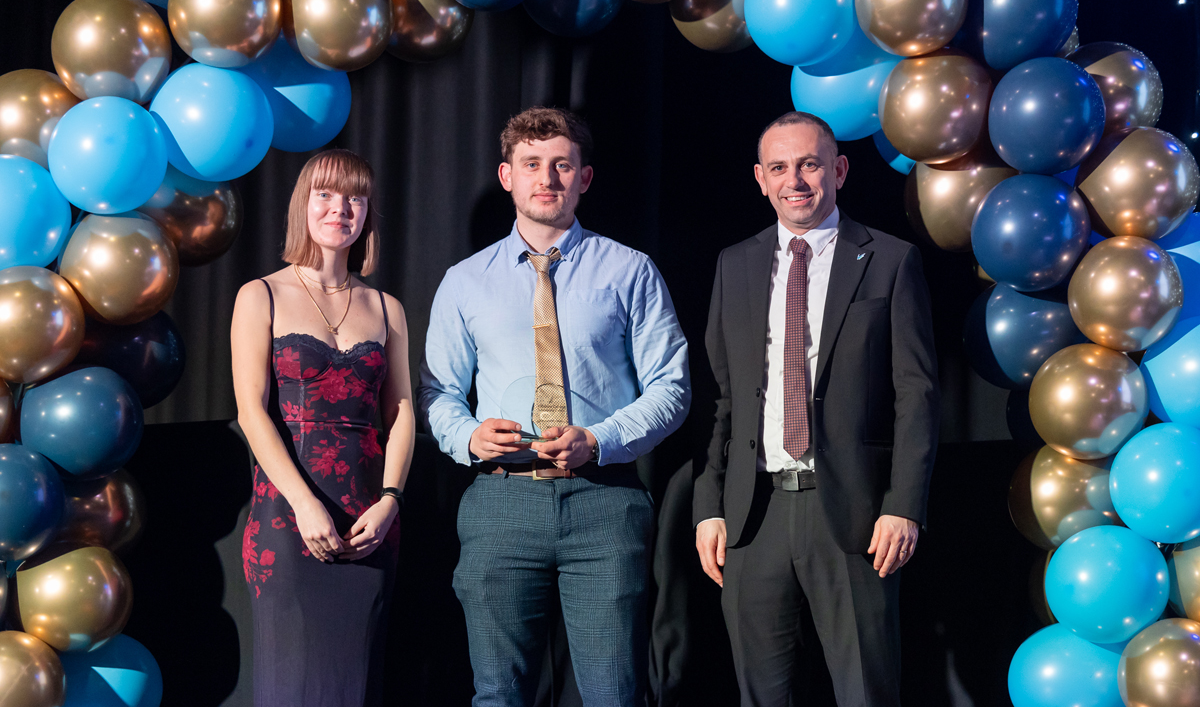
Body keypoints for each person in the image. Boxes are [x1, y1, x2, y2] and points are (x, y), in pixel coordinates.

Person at [419, 106, 691, 706]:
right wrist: (467, 437)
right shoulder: (464, 281)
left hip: (605, 503)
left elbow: (671, 389)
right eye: (533, 164)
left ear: (584, 178)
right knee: (497, 695)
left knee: (612, 694)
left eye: (562, 165)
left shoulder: (630, 271)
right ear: (507, 175)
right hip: (498, 504)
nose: (548, 177)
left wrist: (599, 439)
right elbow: (437, 393)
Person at [693, 112, 939, 706]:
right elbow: (721, 400)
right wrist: (709, 506)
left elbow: (917, 394)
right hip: (755, 516)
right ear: (760, 178)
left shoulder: (890, 260)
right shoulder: (736, 264)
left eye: (809, 164)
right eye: (779, 167)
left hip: (855, 518)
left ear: (839, 169)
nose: (795, 180)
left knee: (866, 694)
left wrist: (903, 505)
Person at [230, 149, 415, 707]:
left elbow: (403, 411)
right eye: (327, 195)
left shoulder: (387, 308)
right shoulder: (259, 294)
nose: (341, 209)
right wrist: (304, 505)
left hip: (371, 522)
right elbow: (250, 410)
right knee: (290, 686)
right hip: (287, 519)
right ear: (303, 205)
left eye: (355, 198)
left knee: (356, 687)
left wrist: (390, 501)